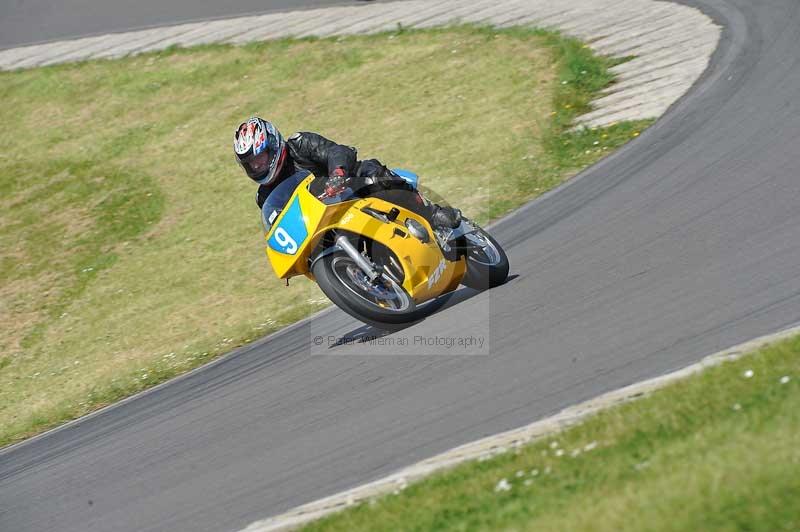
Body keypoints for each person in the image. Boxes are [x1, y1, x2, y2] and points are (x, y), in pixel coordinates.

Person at [233, 117, 461, 230]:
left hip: (349, 188)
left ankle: (433, 213)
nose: (258, 167)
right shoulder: (264, 197)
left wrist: (338, 173)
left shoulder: (299, 144)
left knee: (371, 172)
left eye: (260, 158)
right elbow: (283, 227)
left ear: (272, 144)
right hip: (325, 222)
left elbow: (336, 151)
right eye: (251, 164)